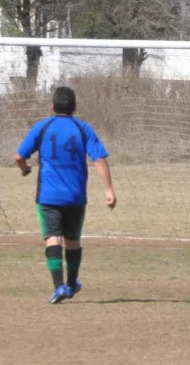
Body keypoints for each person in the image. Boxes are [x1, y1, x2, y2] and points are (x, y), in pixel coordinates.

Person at [14, 86, 117, 304]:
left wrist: (24, 169)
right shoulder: (83, 128)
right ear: (74, 107)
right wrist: (109, 190)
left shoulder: (42, 127)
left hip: (48, 196)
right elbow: (99, 159)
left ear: (52, 107)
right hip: (76, 196)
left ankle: (58, 286)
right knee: (72, 241)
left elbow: (19, 156)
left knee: (53, 238)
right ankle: (71, 285)